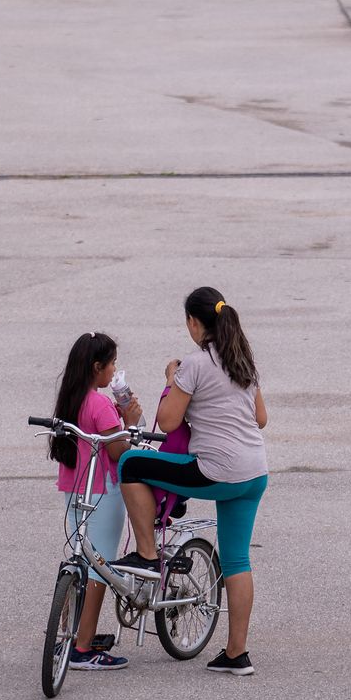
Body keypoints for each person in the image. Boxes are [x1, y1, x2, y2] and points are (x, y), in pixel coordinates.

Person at [114, 287, 268, 677]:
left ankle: (147, 553)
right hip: (254, 474)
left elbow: (166, 421)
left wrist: (171, 379)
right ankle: (237, 654)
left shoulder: (195, 365)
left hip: (216, 471)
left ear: (193, 323)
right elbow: (261, 418)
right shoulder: (243, 361)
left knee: (132, 463)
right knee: (237, 559)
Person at [49, 331, 143, 672]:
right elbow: (119, 451)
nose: (115, 369)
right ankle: (84, 648)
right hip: (103, 491)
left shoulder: (70, 399)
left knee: (80, 559)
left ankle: (71, 634)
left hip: (72, 489)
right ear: (97, 367)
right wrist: (129, 422)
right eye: (113, 363)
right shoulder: (101, 404)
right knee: (101, 569)